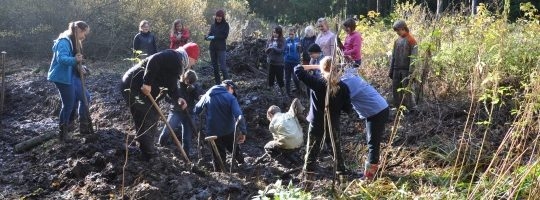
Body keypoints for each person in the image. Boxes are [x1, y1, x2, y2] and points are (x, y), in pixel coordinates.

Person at [120, 42, 200, 161]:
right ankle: (148, 153)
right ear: (191, 57)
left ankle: (147, 148)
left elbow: (171, 84)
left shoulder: (178, 63)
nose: (195, 63)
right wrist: (147, 82)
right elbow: (154, 59)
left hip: (139, 89)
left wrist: (178, 97)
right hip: (134, 86)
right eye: (195, 60)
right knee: (148, 115)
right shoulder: (174, 57)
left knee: (152, 114)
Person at [294, 56, 352, 175]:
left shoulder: (317, 82)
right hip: (333, 124)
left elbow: (297, 69)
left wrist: (317, 66)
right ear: (336, 69)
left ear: (322, 68)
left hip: (317, 123)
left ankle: (308, 175)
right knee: (336, 151)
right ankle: (342, 173)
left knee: (312, 151)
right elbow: (348, 109)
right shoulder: (344, 87)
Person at [341, 66, 389, 181]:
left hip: (377, 111)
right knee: (371, 141)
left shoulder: (348, 82)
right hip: (376, 110)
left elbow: (342, 101)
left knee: (373, 142)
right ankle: (371, 171)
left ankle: (369, 175)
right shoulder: (350, 76)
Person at [47, 21, 92, 141]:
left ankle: (84, 126)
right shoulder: (64, 41)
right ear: (78, 30)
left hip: (72, 75)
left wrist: (80, 67)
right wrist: (74, 59)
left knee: (86, 97)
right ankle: (63, 132)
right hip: (62, 77)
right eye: (84, 33)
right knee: (69, 104)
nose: (84, 36)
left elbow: (74, 62)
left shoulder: (76, 42)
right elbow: (61, 59)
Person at [194, 80, 247, 171]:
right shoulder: (230, 98)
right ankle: (243, 166)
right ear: (229, 87)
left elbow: (196, 110)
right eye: (233, 90)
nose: (233, 93)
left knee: (217, 156)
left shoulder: (207, 95)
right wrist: (243, 131)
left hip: (212, 132)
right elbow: (239, 115)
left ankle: (219, 175)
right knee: (235, 150)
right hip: (228, 130)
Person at [158, 70, 204, 157]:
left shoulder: (194, 85)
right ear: (184, 78)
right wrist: (177, 101)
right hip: (176, 111)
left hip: (189, 113)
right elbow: (167, 98)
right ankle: (159, 148)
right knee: (167, 131)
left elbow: (200, 95)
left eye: (191, 82)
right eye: (187, 81)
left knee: (186, 138)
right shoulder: (176, 85)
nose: (188, 83)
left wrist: (197, 93)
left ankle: (185, 157)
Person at [264, 98, 305, 164]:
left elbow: (276, 139)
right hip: (300, 142)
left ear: (270, 114)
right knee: (285, 144)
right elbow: (296, 101)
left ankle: (282, 163)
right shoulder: (289, 114)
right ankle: (293, 158)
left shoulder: (272, 124)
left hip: (287, 146)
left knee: (267, 147)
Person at [389, 20, 418, 110]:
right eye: (396, 31)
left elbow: (413, 57)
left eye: (398, 30)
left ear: (403, 28)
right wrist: (391, 70)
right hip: (396, 69)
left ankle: (411, 108)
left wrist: (411, 71)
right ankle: (398, 108)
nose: (397, 32)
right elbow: (393, 56)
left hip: (406, 70)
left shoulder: (411, 40)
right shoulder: (397, 41)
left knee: (407, 90)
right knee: (395, 90)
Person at [206, 9, 230, 84]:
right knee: (215, 68)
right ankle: (218, 84)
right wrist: (207, 37)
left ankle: (228, 84)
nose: (218, 18)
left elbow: (224, 36)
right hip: (212, 48)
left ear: (222, 17)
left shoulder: (226, 25)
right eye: (217, 16)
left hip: (221, 48)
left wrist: (214, 37)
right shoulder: (213, 25)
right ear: (215, 17)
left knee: (223, 67)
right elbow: (210, 34)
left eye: (220, 16)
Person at [265, 26, 286, 94]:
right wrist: (268, 49)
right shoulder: (270, 40)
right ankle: (271, 94)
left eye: (277, 33)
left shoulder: (282, 40)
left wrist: (273, 48)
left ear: (279, 33)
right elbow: (266, 51)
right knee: (270, 79)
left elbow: (281, 50)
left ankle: (283, 94)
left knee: (280, 79)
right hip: (271, 63)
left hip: (279, 63)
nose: (275, 34)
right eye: (274, 32)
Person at [283, 28, 301, 96]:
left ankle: (298, 90)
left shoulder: (298, 40)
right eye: (289, 34)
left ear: (295, 33)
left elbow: (300, 51)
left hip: (296, 62)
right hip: (287, 62)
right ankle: (288, 93)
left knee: (295, 77)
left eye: (292, 34)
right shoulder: (286, 41)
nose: (290, 35)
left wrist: (300, 47)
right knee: (287, 78)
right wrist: (285, 57)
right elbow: (283, 50)